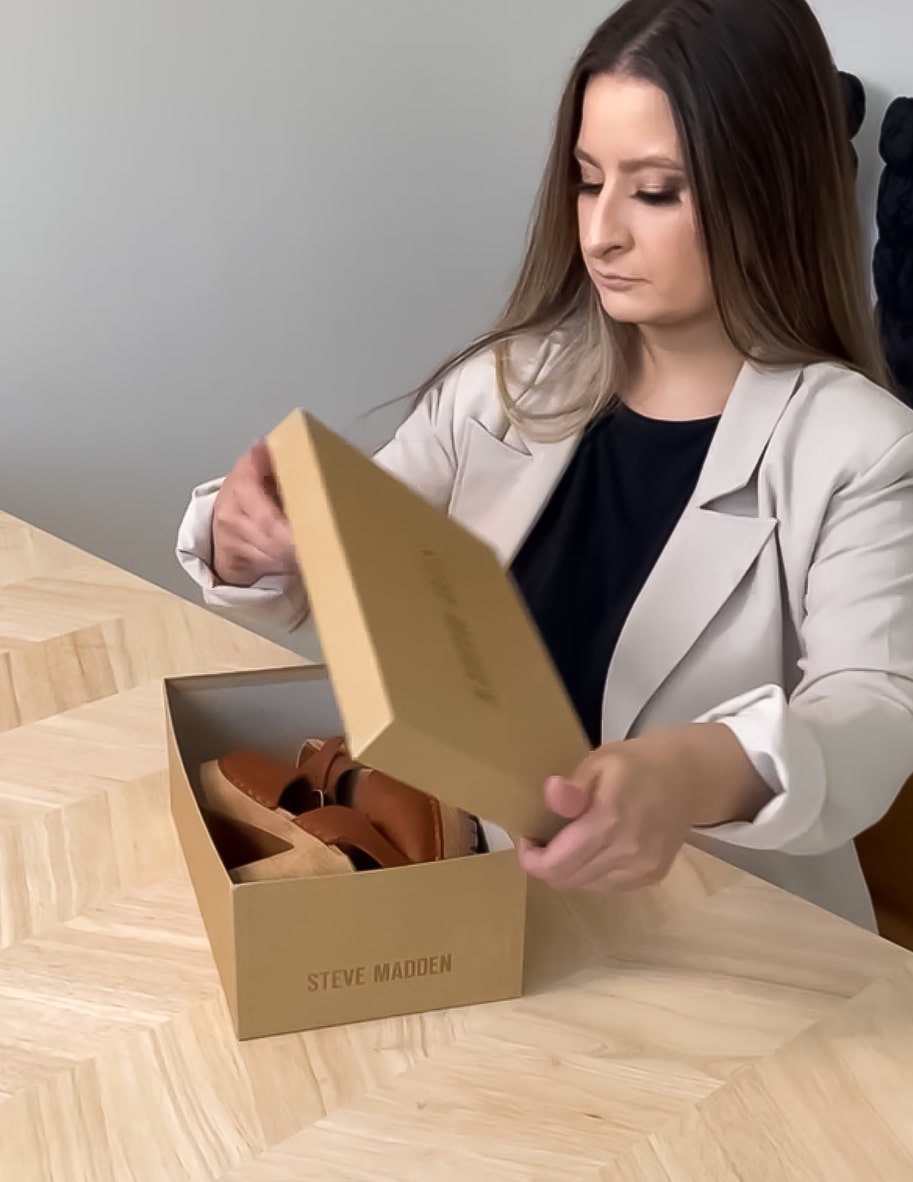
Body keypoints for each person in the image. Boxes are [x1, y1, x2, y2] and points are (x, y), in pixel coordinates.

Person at [177, 0, 913, 931]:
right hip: (488, 906)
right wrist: (249, 537)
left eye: (654, 192)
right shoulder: (507, 385)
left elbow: (874, 716)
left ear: (768, 193)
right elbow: (358, 549)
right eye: (586, 180)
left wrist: (690, 771)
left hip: (733, 942)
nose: (600, 232)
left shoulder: (862, 448)